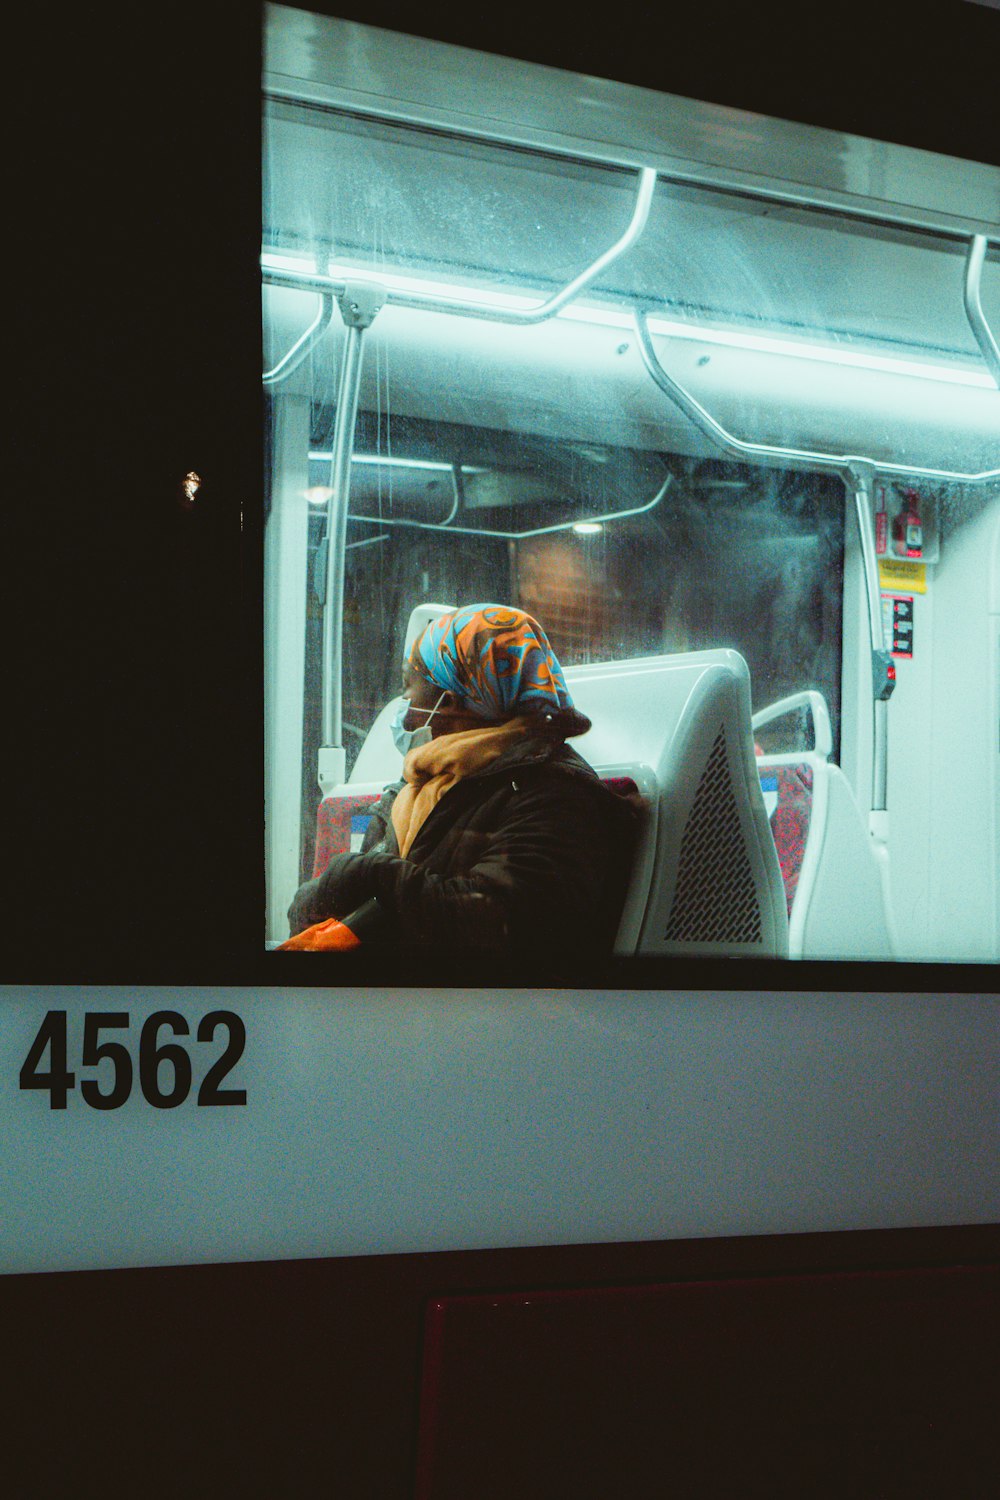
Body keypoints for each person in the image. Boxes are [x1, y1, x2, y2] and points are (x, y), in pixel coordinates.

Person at [282, 603, 638, 963]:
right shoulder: (415, 789)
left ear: (449, 701)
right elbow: (328, 906)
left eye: (409, 692)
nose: (403, 711)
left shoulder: (560, 798)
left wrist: (366, 877)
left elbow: (500, 923)